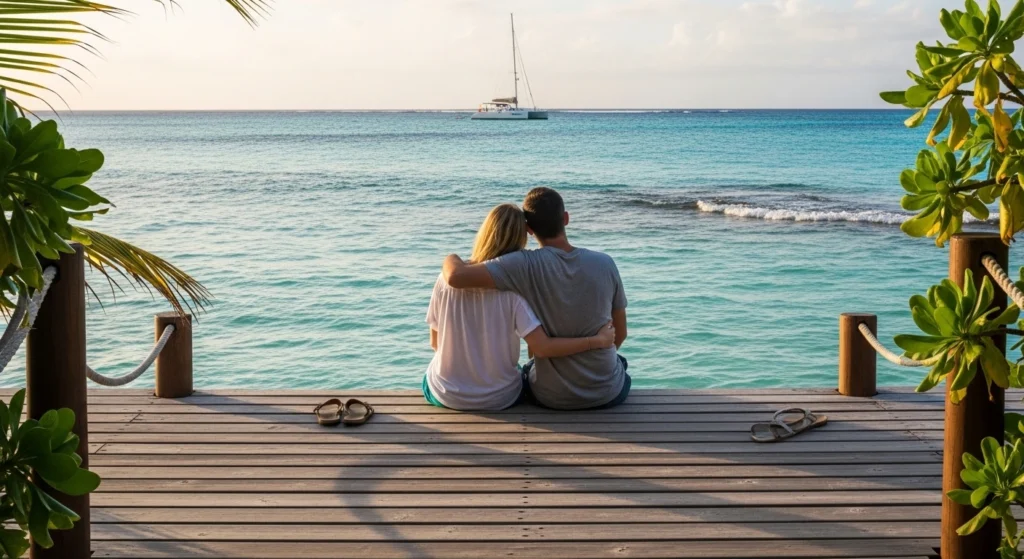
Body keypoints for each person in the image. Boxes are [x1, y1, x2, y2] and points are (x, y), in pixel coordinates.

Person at [442, 187, 629, 410]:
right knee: (621, 363)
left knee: (527, 371)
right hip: (607, 392)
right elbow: (621, 334)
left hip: (551, 396)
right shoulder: (605, 263)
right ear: (566, 218)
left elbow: (455, 276)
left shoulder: (522, 264)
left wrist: (451, 256)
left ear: (529, 230)